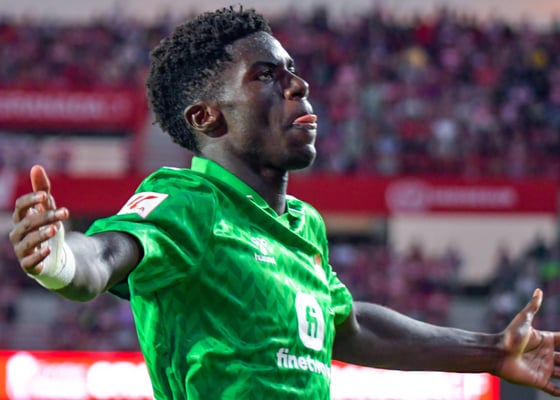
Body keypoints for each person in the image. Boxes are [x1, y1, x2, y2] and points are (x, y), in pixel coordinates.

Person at [8, 6, 560, 399]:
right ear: (207, 117)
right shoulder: (189, 201)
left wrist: (492, 351)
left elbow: (349, 327)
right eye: (266, 76)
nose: (298, 85)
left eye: (292, 70)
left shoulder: (304, 224)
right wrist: (59, 258)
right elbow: (104, 256)